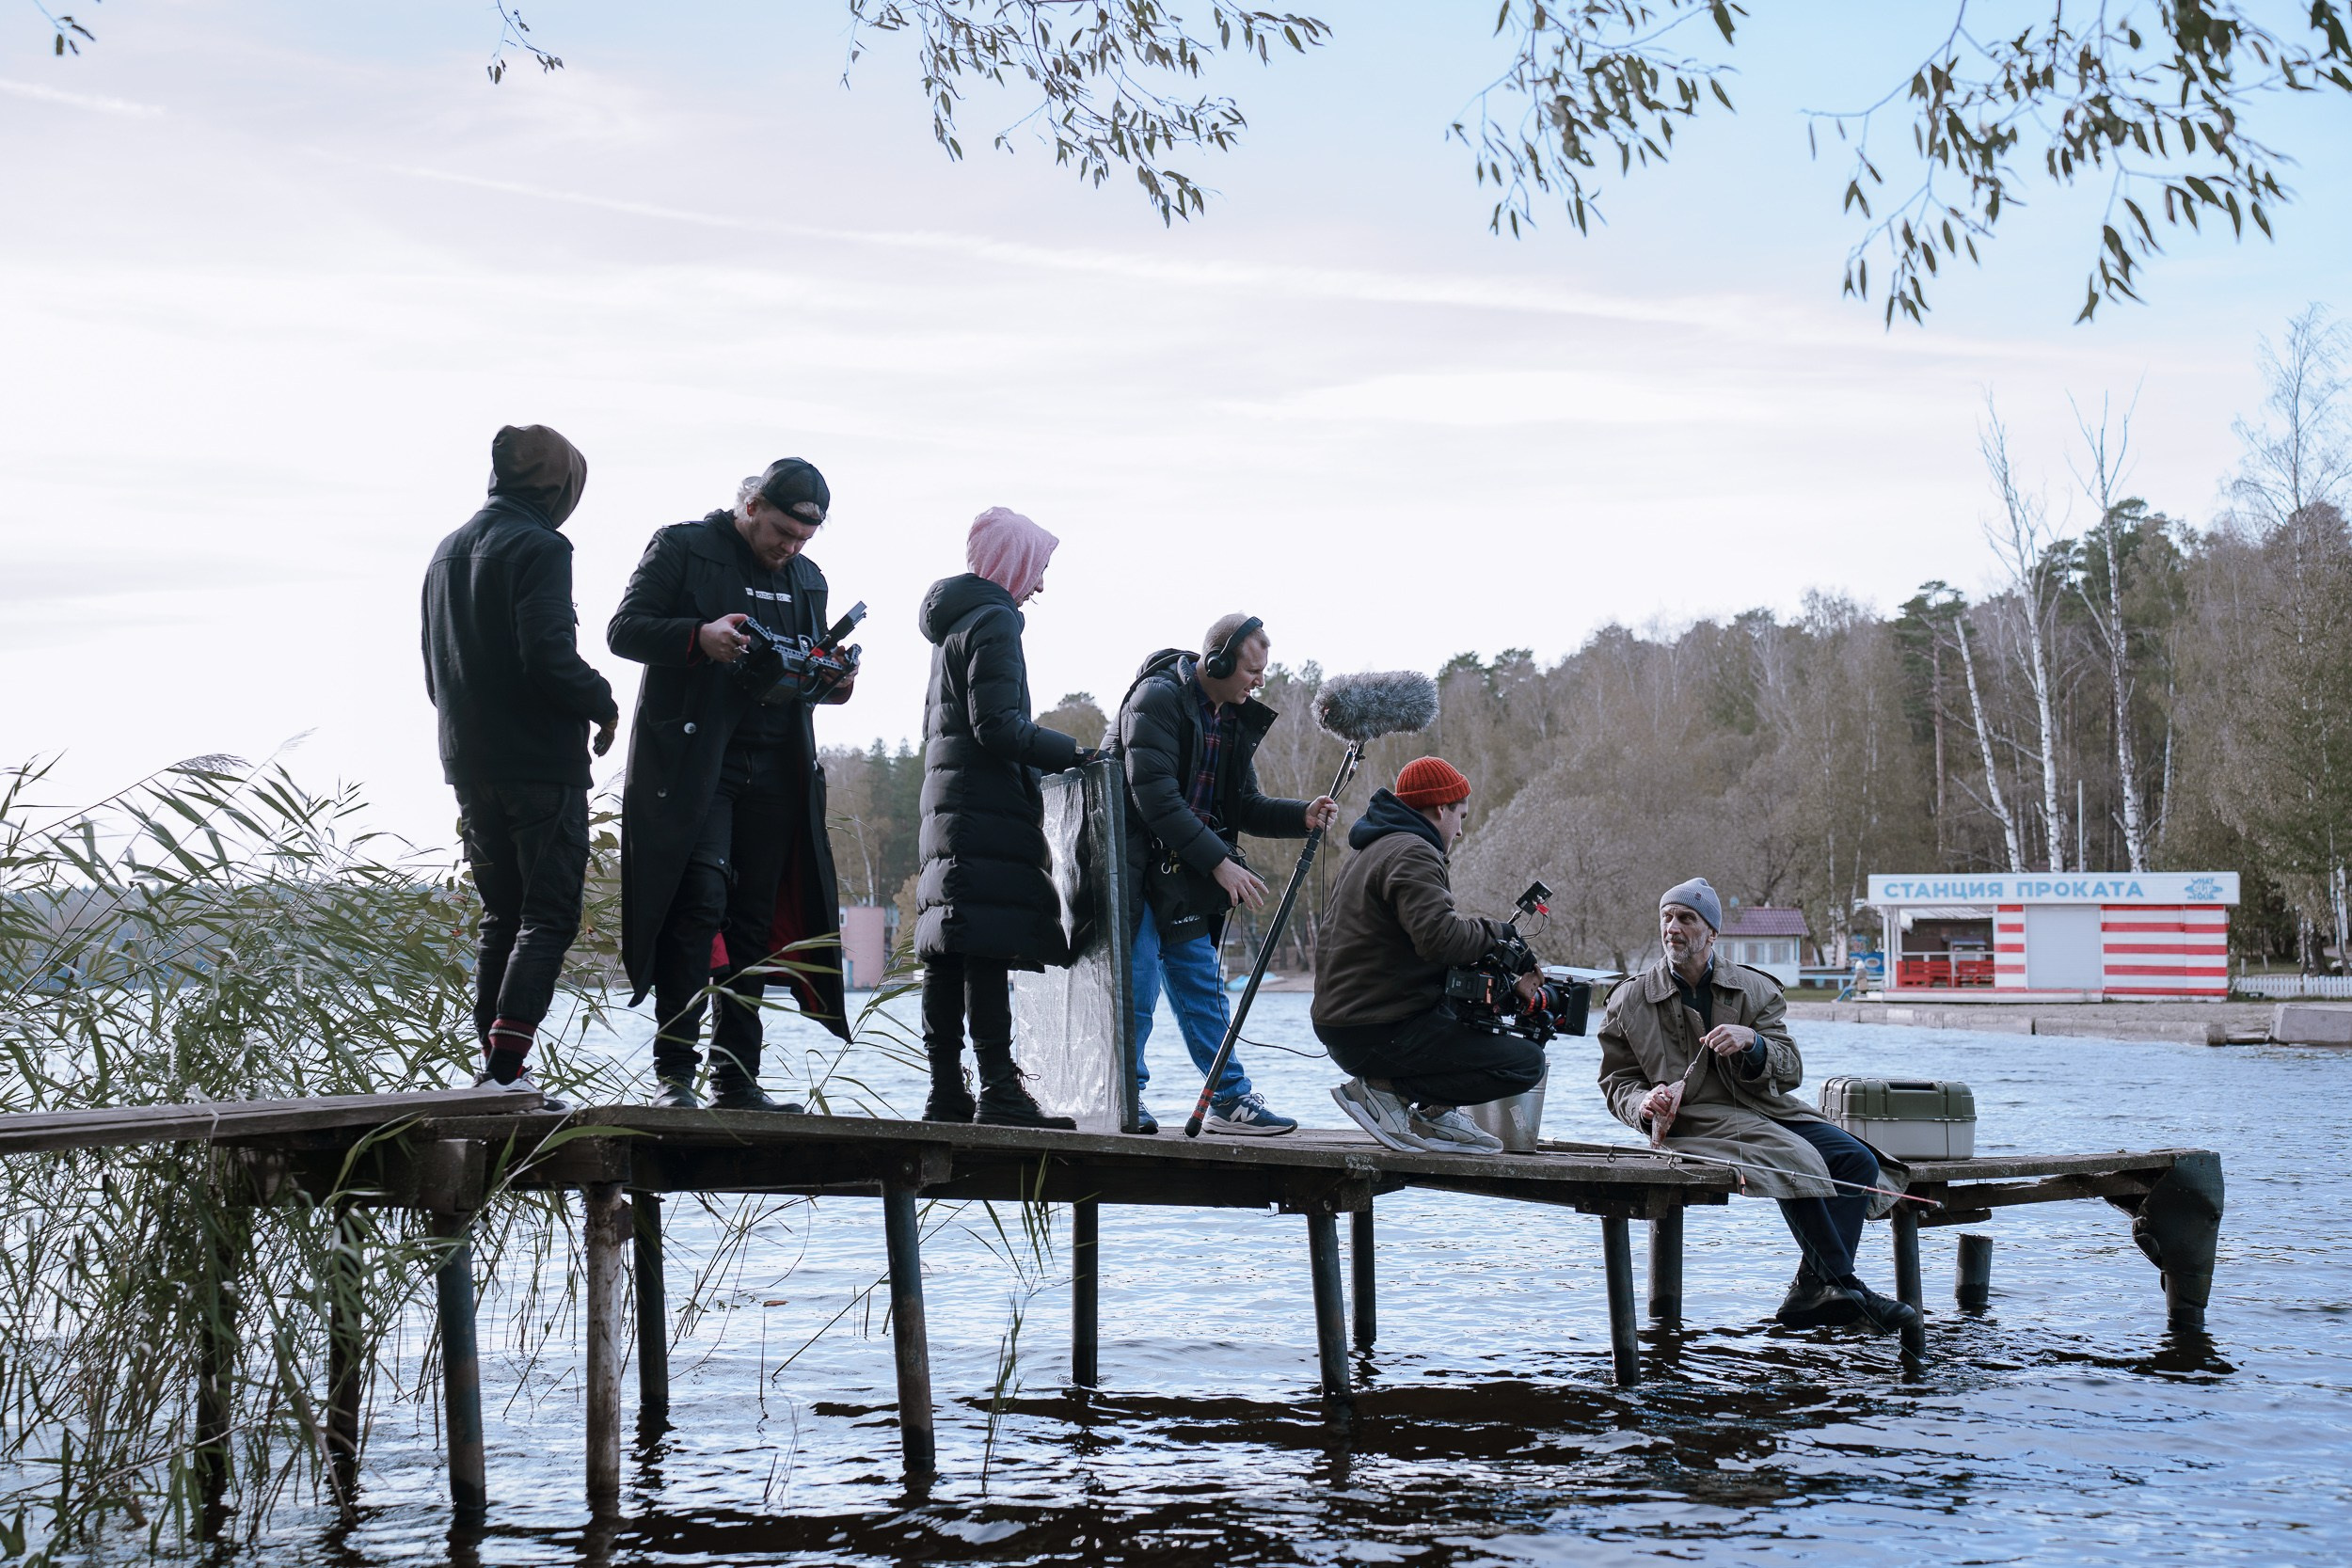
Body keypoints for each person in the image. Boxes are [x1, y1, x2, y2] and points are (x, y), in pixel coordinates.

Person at [608, 458, 856, 1111]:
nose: (791, 547)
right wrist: (698, 636)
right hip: (697, 766)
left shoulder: (808, 579)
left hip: (778, 766)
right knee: (698, 907)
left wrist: (832, 680)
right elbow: (623, 630)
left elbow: (806, 668)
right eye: (782, 531)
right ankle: (674, 1078)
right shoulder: (683, 546)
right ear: (751, 507)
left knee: (751, 924)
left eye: (804, 538)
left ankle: (736, 1079)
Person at [1597, 879, 1922, 1335]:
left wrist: (1754, 1044)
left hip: (1768, 1109)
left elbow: (1790, 1070)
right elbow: (1616, 1082)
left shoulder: (1754, 990)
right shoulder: (1630, 999)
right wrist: (1644, 1103)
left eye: (1686, 918)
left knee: (1856, 1159)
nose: (1673, 927)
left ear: (1711, 933)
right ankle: (1841, 1287)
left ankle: (1814, 1287)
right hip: (1694, 1122)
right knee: (1796, 1158)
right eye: (1666, 918)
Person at [421, 423, 619, 1109]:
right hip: (540, 762)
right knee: (548, 914)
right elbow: (547, 656)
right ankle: (507, 1074)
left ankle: (496, 1073)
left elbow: (432, 672)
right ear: (560, 485)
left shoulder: (445, 553)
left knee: (500, 916)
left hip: (468, 760)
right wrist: (603, 701)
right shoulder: (541, 545)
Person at [1115, 614, 1338, 1135]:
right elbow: (1156, 800)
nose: (1258, 682)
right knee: (1140, 987)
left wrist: (1299, 815)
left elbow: (1243, 804)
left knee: (1202, 986)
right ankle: (1127, 1096)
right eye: (1251, 671)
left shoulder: (1233, 716)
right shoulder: (1156, 699)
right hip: (1131, 867)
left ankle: (1230, 1101)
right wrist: (1220, 863)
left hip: (1181, 872)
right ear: (1216, 661)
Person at [912, 507, 1090, 1129]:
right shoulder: (993, 621)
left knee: (948, 950)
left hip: (947, 811)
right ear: (1013, 562)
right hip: (983, 809)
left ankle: (946, 1094)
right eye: (1037, 567)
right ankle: (999, 1091)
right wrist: (1075, 752)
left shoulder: (952, 627)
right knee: (983, 950)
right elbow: (998, 727)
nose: (1039, 584)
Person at [1311, 756, 1545, 1153]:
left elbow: (1423, 940)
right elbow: (1440, 939)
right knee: (1525, 1063)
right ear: (1440, 808)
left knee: (1474, 1012)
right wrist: (1502, 934)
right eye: (1461, 816)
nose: (1461, 830)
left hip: (1355, 1021)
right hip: (1375, 1028)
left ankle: (1437, 1113)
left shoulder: (1375, 849)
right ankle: (1387, 1095)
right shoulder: (1414, 851)